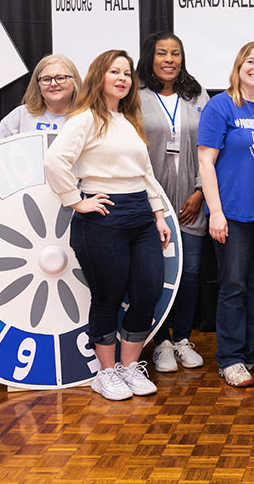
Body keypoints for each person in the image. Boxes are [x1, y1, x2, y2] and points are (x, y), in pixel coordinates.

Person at [44, 50, 171, 401]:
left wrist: (158, 215)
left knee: (147, 291)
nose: (123, 78)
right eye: (115, 71)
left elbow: (146, 175)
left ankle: (129, 369)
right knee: (108, 298)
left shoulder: (128, 120)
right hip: (102, 219)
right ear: (99, 76)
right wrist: (76, 200)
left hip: (140, 217)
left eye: (127, 73)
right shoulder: (84, 119)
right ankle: (106, 374)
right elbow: (55, 160)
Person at [197, 41, 254, 388]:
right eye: (251, 61)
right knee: (233, 286)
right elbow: (206, 162)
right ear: (239, 66)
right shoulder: (220, 105)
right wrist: (216, 212)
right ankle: (230, 358)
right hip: (232, 212)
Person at [135, 31, 209, 374]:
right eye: (162, 53)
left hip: (192, 201)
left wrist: (200, 192)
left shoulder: (197, 96)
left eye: (175, 53)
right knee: (156, 275)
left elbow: (210, 148)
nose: (169, 60)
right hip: (151, 203)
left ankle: (182, 339)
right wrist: (153, 203)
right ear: (150, 57)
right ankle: (160, 342)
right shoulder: (134, 97)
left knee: (190, 273)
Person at [0, 54, 81, 140]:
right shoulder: (20, 116)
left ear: (74, 82)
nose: (53, 84)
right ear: (38, 85)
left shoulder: (87, 117)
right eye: (46, 79)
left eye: (60, 78)